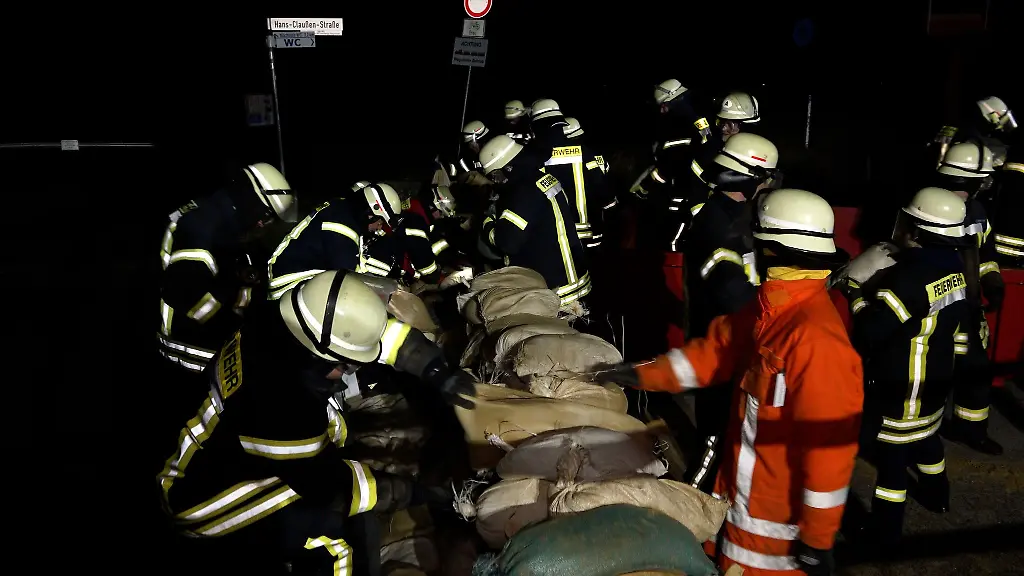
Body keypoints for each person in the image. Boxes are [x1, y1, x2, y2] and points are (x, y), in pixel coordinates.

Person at [598, 189, 860, 576]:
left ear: (773, 248)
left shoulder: (816, 340)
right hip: (739, 509)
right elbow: (711, 355)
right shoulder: (770, 310)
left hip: (776, 539)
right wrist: (639, 373)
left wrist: (817, 539)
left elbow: (829, 452)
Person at [157, 270, 475, 575]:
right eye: (345, 365)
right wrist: (414, 492)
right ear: (318, 356)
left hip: (215, 440)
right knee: (334, 539)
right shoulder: (279, 403)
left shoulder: (282, 319)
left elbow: (377, 337)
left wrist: (435, 370)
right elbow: (329, 484)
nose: (350, 372)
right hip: (196, 492)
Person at [839, 187, 970, 547]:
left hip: (904, 382)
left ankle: (885, 529)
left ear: (917, 231)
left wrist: (854, 294)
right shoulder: (953, 266)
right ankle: (937, 495)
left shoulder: (906, 280)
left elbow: (872, 331)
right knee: (927, 439)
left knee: (893, 458)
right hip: (936, 377)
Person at [683, 133, 780, 493]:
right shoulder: (715, 225)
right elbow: (729, 290)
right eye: (765, 177)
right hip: (719, 346)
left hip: (738, 341)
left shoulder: (735, 215)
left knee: (733, 429)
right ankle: (690, 503)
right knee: (713, 437)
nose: (768, 184)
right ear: (749, 178)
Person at [157, 162, 297, 384]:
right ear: (250, 200)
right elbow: (190, 299)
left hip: (212, 339)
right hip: (191, 347)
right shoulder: (203, 230)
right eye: (266, 214)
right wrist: (240, 329)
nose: (264, 223)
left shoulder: (226, 220)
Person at [934, 143, 1005, 455]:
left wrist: (992, 281)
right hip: (933, 307)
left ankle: (971, 429)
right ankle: (919, 433)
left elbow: (984, 252)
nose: (987, 184)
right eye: (983, 178)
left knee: (975, 370)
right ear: (969, 179)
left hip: (967, 307)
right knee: (927, 372)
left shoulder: (976, 211)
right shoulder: (928, 204)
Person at [478, 134, 592, 307]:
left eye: (495, 175)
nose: (495, 181)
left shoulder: (522, 192)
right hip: (574, 277)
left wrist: (488, 221)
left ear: (507, 168)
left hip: (554, 289)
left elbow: (508, 242)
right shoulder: (542, 178)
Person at [267, 182, 404, 300]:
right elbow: (347, 275)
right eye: (380, 222)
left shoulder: (342, 211)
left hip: (298, 281)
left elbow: (356, 264)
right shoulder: (342, 223)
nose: (379, 228)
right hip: (292, 286)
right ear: (370, 213)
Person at [632, 79, 716, 251]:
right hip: (706, 193)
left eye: (663, 106)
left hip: (684, 197)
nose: (661, 111)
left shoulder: (679, 126)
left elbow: (668, 167)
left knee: (672, 245)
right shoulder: (700, 119)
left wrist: (643, 189)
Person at [529, 100, 616, 254]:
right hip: (589, 233)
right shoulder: (585, 153)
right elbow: (602, 191)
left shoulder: (532, 157)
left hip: (551, 237)